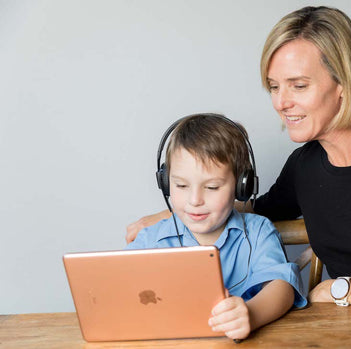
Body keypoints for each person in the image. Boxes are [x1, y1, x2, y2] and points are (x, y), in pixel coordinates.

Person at [127, 6, 351, 315]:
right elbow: (255, 209)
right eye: (274, 86)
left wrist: (341, 288)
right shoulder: (304, 164)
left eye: (298, 85)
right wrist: (175, 214)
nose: (280, 102)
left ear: (343, 83)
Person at [126, 113, 306, 340]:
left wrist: (250, 314)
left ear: (242, 187)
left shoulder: (259, 232)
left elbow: (282, 287)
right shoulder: (150, 239)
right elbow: (121, 292)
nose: (194, 200)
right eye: (181, 185)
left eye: (211, 187)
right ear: (165, 182)